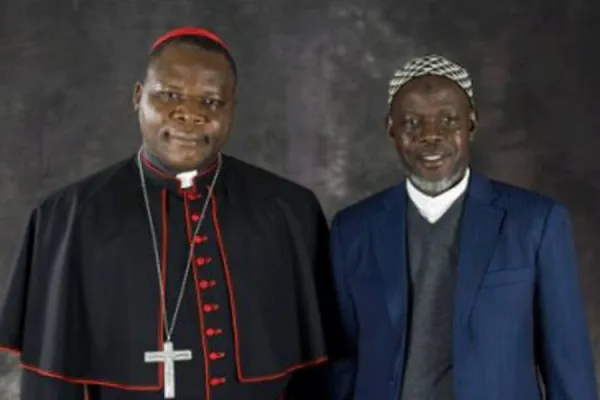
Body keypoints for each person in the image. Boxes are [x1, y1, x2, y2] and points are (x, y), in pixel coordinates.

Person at [0, 27, 340, 400]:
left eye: (211, 102)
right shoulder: (66, 219)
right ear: (137, 97)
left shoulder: (290, 211)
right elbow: (49, 382)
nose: (190, 115)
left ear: (232, 110)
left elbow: (317, 376)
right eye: (170, 95)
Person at [327, 54, 598, 399]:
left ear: (472, 122)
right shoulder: (352, 229)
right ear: (390, 128)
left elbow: (567, 363)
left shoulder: (536, 223)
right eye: (412, 122)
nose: (430, 136)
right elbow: (343, 362)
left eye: (447, 120)